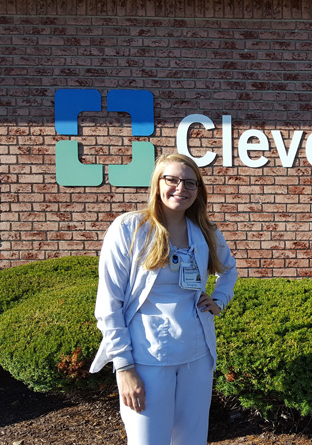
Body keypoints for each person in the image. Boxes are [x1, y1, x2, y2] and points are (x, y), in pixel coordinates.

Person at [89, 153, 238, 445]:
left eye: (190, 183)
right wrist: (123, 367)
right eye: (172, 179)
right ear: (157, 183)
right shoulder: (129, 229)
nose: (181, 188)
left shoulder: (205, 231)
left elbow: (229, 270)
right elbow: (109, 304)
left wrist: (219, 300)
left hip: (197, 354)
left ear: (198, 191)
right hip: (146, 358)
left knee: (191, 440)